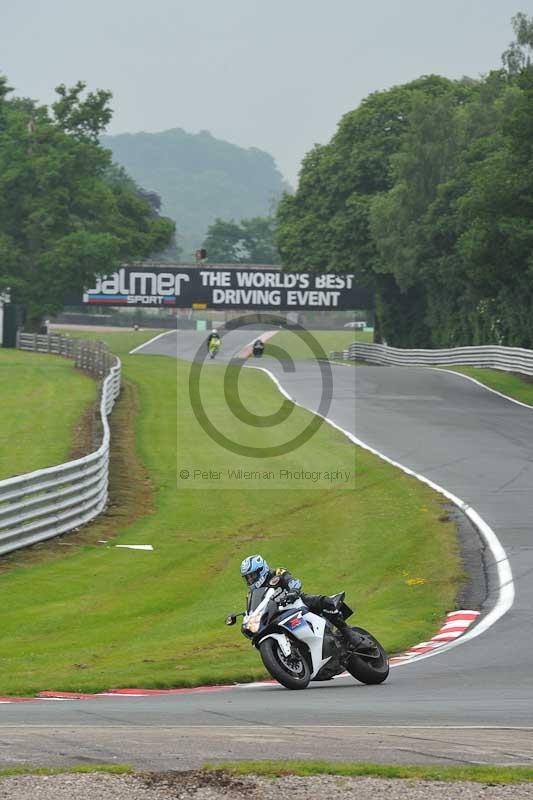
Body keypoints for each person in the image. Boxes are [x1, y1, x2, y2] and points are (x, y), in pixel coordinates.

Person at [239, 554, 362, 649]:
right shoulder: (252, 594)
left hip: (295, 602)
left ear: (262, 569)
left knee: (323, 601)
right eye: (247, 577)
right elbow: (253, 608)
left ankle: (349, 634)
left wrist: (293, 591)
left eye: (253, 575)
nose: (250, 579)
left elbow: (293, 581)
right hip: (277, 613)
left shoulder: (277, 573)